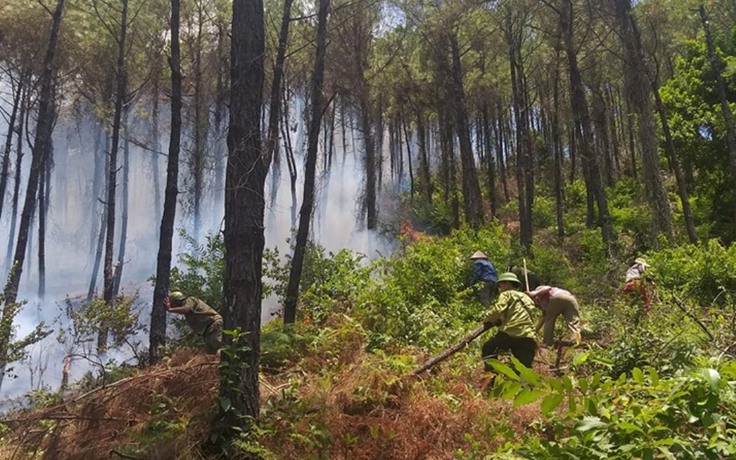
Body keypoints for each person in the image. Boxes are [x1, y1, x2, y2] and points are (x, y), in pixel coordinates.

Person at [481, 272, 537, 373]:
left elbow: (498, 310)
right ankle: (524, 387)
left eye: (500, 284)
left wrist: (487, 319)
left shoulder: (506, 294)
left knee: (488, 349)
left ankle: (492, 375)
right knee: (524, 370)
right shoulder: (526, 298)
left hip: (510, 333)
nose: (499, 287)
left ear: (507, 283)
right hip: (528, 336)